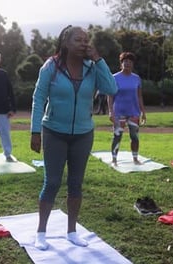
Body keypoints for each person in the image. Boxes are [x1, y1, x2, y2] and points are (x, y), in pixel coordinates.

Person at [30, 25, 118, 250]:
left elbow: (111, 87)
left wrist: (98, 59)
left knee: (76, 184)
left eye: (86, 40)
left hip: (83, 134)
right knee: (52, 182)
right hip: (54, 132)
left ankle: (72, 231)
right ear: (66, 42)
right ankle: (41, 232)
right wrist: (35, 131)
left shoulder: (92, 67)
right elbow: (39, 98)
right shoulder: (52, 66)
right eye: (78, 40)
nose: (84, 44)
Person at [108, 52, 146, 166]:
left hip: (134, 112)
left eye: (129, 62)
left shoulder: (136, 78)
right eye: (125, 62)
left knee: (134, 137)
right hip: (119, 112)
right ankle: (114, 159)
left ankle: (135, 158)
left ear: (133, 64)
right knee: (117, 136)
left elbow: (139, 96)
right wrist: (111, 111)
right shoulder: (114, 78)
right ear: (121, 64)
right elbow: (110, 96)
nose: (127, 64)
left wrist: (143, 112)